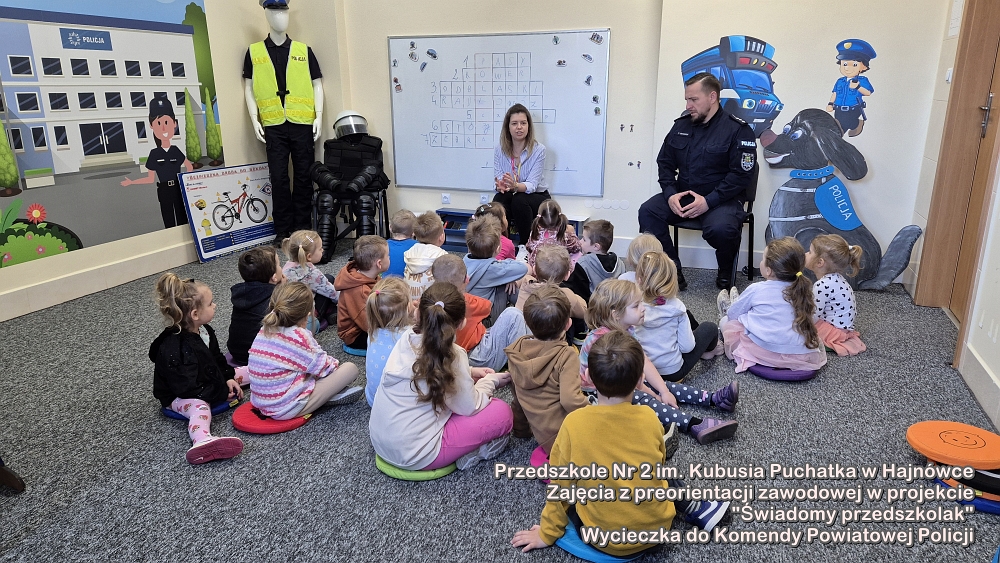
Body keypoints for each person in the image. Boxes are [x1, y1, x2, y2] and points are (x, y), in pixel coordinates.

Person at [511, 331, 731, 557]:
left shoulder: (573, 423)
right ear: (640, 380)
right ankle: (694, 505)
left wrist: (546, 534)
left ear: (587, 377)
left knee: (576, 495)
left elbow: (561, 486)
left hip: (606, 542)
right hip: (659, 533)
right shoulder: (649, 417)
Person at [369, 282, 514, 471]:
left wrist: (469, 371)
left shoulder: (405, 338)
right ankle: (475, 452)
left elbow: (423, 368)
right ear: (462, 323)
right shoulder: (454, 355)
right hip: (417, 455)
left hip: (381, 442)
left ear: (417, 313)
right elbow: (469, 407)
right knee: (502, 412)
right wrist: (489, 382)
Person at [580, 279, 739, 444]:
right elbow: (632, 385)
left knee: (666, 385)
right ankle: (694, 424)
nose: (643, 308)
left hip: (625, 381)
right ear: (616, 314)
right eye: (636, 306)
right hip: (603, 393)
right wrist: (656, 396)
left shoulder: (628, 331)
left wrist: (663, 391)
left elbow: (644, 362)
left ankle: (714, 398)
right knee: (645, 399)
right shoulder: (604, 342)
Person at [637, 72, 757, 291]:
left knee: (721, 229)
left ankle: (725, 271)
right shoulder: (681, 126)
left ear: (712, 97)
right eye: (687, 99)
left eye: (693, 99)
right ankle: (671, 271)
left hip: (722, 200)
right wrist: (670, 194)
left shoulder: (737, 130)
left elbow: (741, 175)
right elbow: (664, 163)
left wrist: (708, 201)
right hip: (684, 195)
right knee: (648, 211)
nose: (688, 105)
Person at [243, 0, 325, 245]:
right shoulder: (254, 52)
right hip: (273, 124)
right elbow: (248, 89)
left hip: (302, 123)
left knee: (303, 177)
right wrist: (254, 119)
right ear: (267, 15)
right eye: (275, 12)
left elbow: (317, 84)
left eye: (284, 11)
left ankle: (302, 229)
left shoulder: (304, 50)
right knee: (278, 179)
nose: (281, 17)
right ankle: (283, 231)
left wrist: (319, 116)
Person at [150, 273, 245, 464]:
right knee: (200, 407)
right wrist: (221, 392)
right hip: (180, 395)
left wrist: (227, 377)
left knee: (243, 372)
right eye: (210, 304)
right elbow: (187, 388)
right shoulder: (176, 349)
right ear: (195, 314)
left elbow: (217, 358)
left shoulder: (204, 330)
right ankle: (202, 440)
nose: (215, 305)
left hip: (204, 379)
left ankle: (275, 374)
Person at [248, 282, 362, 419]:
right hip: (284, 408)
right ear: (308, 315)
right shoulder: (299, 336)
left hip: (261, 402)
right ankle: (324, 398)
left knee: (308, 369)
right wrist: (334, 364)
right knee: (350, 369)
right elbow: (327, 368)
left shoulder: (265, 328)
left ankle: (324, 395)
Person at [716, 237, 828, 373]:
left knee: (726, 321)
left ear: (769, 270)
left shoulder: (756, 288)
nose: (761, 262)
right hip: (799, 354)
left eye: (762, 259)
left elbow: (733, 315)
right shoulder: (804, 291)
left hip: (764, 351)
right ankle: (739, 302)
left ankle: (734, 303)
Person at [506, 284, 589, 454]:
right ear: (568, 324)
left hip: (544, 437)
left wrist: (521, 430)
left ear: (527, 323)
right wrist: (594, 412)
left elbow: (517, 397)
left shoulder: (516, 350)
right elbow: (570, 401)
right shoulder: (566, 355)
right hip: (567, 438)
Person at [633, 251, 723, 382]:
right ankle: (710, 351)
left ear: (639, 280)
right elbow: (687, 347)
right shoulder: (677, 307)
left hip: (642, 372)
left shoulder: (634, 306)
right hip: (673, 373)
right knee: (709, 327)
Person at [433, 254, 530, 371]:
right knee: (513, 314)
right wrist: (507, 280)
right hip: (474, 357)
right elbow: (487, 307)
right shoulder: (468, 301)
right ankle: (524, 366)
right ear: (467, 279)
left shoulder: (429, 302)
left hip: (452, 356)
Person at [121, 95, 193, 229]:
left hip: (178, 189)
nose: (164, 128)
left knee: (183, 221)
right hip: (164, 191)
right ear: (151, 126)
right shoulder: (154, 154)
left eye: (167, 122)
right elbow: (150, 179)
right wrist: (132, 182)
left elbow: (189, 166)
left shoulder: (175, 150)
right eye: (159, 124)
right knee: (168, 221)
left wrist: (186, 183)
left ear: (174, 123)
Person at [492, 103, 550, 244]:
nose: (519, 127)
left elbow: (532, 185)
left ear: (528, 126)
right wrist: (501, 185)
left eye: (523, 123)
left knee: (519, 199)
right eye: (514, 123)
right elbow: (499, 177)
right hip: (512, 194)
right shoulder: (500, 149)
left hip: (537, 196)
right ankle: (501, 245)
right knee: (499, 199)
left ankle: (526, 246)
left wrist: (515, 186)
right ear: (508, 127)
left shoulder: (539, 150)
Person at [805, 234, 866, 356]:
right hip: (842, 329)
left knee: (799, 330)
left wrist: (800, 324)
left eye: (810, 252)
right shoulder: (836, 279)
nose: (806, 254)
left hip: (833, 331)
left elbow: (814, 315)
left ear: (820, 262)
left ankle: (828, 342)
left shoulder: (822, 285)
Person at [464, 215, 529, 326]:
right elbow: (523, 268)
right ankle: (528, 311)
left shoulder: (464, 261)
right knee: (504, 285)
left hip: (468, 315)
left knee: (505, 280)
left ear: (468, 247)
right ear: (498, 249)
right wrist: (504, 266)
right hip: (485, 321)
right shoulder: (493, 269)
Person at [228, 246, 284, 367]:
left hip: (237, 352)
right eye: (279, 265)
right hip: (261, 356)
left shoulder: (241, 294)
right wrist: (284, 289)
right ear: (274, 277)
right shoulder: (275, 299)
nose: (281, 268)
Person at [364, 277, 414, 406]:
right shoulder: (409, 336)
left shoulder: (373, 332)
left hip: (373, 399)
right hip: (396, 406)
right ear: (408, 308)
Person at [334, 235, 390, 351]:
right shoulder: (360, 291)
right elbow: (368, 324)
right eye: (388, 255)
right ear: (379, 263)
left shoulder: (370, 275)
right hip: (354, 335)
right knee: (394, 338)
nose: (389, 258)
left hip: (364, 324)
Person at [282, 230, 338, 329]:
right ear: (309, 256)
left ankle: (330, 311)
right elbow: (334, 294)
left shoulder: (287, 266)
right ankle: (327, 312)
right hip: (306, 319)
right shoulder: (311, 273)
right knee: (329, 282)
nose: (323, 250)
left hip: (287, 314)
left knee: (327, 279)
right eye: (320, 249)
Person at [827, 39, 876, 137]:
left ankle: (856, 124)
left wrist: (858, 87)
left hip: (853, 109)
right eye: (844, 64)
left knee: (844, 127)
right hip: (838, 109)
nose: (847, 68)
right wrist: (830, 104)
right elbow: (835, 93)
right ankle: (854, 125)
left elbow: (868, 93)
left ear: (864, 67)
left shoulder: (862, 80)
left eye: (854, 65)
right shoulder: (840, 81)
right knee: (838, 125)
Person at [565, 219, 625, 298]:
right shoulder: (620, 264)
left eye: (584, 239)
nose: (580, 241)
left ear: (596, 246)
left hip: (591, 305)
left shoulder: (583, 264)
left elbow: (578, 294)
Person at [525, 199, 582, 272]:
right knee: (578, 254)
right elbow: (577, 248)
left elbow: (529, 247)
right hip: (558, 271)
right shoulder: (566, 232)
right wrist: (572, 233)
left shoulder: (535, 231)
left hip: (538, 270)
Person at [403, 211, 449, 300]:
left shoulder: (410, 252)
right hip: (431, 303)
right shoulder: (443, 256)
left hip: (409, 301)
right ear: (441, 237)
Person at [385, 209, 417, 278]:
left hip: (385, 283)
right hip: (409, 283)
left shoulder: (382, 246)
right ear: (414, 232)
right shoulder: (418, 246)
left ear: (390, 227)